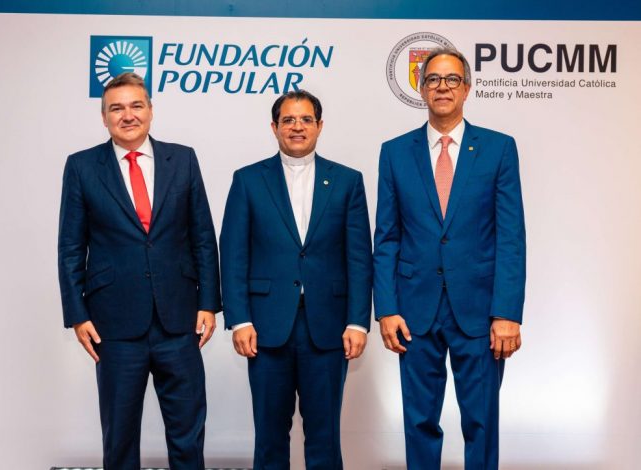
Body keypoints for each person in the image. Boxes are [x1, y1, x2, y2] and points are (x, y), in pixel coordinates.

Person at [57, 72, 221, 470]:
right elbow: (71, 247)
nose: (127, 115)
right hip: (113, 325)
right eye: (116, 108)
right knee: (120, 438)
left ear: (150, 110)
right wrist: (77, 314)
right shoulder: (81, 167)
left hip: (178, 320)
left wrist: (208, 303)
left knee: (187, 435)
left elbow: (203, 235)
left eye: (136, 105)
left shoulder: (183, 159)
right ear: (104, 117)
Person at [374, 47, 526, 469]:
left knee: (481, 421)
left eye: (452, 79)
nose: (442, 87)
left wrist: (507, 313)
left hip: (479, 311)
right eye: (433, 79)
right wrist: (386, 308)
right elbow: (386, 238)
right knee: (419, 420)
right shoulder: (394, 152)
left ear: (467, 88)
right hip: (413, 311)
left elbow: (511, 237)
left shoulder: (498, 149)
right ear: (422, 88)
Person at [220, 90, 372, 469]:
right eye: (288, 120)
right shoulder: (248, 180)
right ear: (274, 127)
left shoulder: (348, 181)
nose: (297, 127)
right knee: (270, 438)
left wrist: (358, 322)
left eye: (306, 119)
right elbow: (233, 254)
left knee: (325, 438)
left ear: (320, 126)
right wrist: (240, 320)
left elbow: (358, 257)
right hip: (265, 327)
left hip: (329, 327)